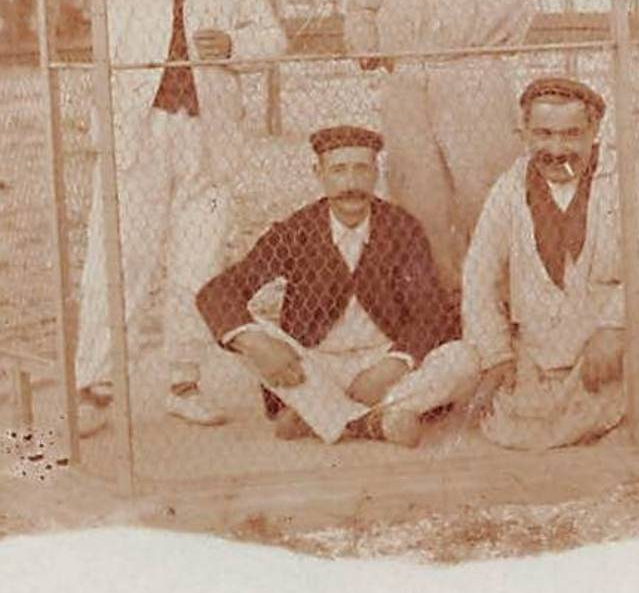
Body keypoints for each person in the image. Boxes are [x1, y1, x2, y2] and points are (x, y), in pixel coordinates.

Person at [73, 0, 286, 437]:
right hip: (136, 135)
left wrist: (237, 48)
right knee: (118, 260)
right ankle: (94, 385)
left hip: (207, 138)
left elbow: (274, 37)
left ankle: (183, 382)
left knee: (197, 264)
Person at [344, 0, 600, 292]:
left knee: (486, 201)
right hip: (406, 90)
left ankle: (503, 308)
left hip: (475, 81)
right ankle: (442, 314)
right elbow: (362, 6)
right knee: (418, 209)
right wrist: (365, 41)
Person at [195, 125, 475, 446]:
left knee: (463, 358)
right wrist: (256, 342)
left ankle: (321, 416)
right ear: (319, 174)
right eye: (339, 170)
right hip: (316, 364)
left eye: (361, 169)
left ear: (375, 173)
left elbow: (429, 312)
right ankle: (378, 421)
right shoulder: (297, 230)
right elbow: (217, 291)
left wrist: (396, 363)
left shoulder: (401, 228)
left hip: (382, 360)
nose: (351, 183)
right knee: (245, 333)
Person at [452, 76, 639, 450]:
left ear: (594, 131)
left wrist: (612, 327)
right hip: (543, 341)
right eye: (543, 134)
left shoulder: (628, 179)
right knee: (517, 420)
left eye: (571, 134)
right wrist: (496, 354)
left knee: (638, 363)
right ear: (525, 132)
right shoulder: (509, 187)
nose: (557, 149)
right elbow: (479, 274)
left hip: (613, 335)